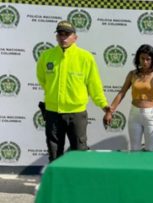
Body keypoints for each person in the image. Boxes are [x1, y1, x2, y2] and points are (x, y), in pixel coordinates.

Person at [36, 20, 110, 162]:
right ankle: (57, 183)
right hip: (53, 112)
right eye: (60, 34)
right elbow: (42, 80)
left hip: (76, 114)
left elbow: (94, 85)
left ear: (75, 37)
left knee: (79, 152)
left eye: (67, 34)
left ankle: (77, 183)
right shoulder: (46, 56)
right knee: (54, 152)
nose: (63, 37)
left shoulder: (85, 57)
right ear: (56, 37)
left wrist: (104, 105)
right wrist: (53, 95)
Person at [103, 44, 153, 151]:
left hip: (152, 115)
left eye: (148, 59)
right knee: (134, 149)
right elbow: (121, 93)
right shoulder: (132, 74)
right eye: (142, 58)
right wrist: (110, 111)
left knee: (150, 148)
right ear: (138, 58)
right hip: (134, 114)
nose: (145, 62)